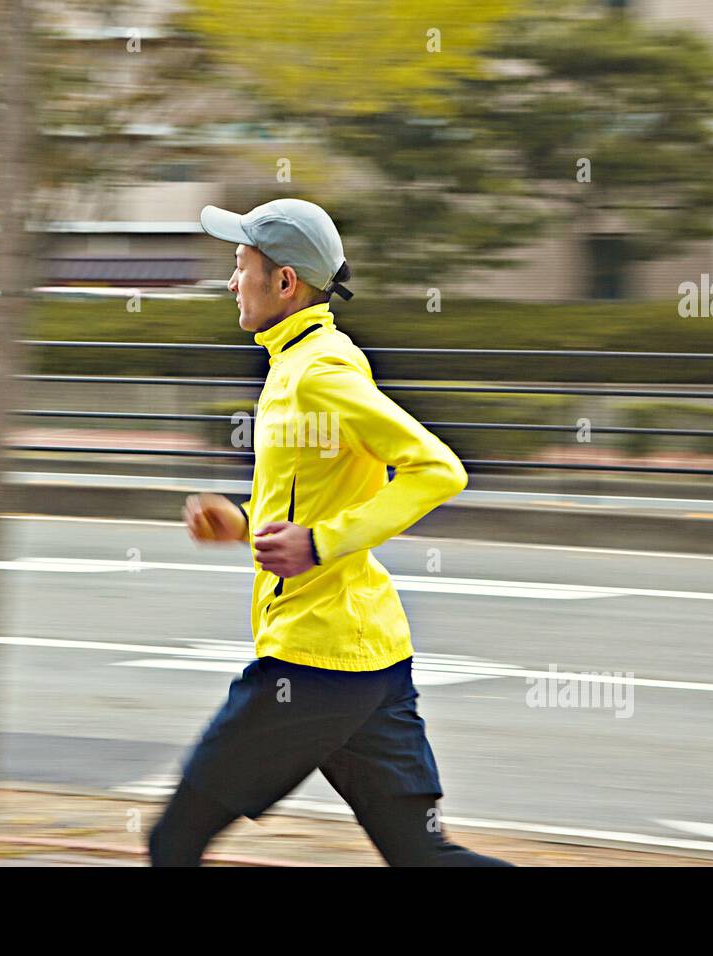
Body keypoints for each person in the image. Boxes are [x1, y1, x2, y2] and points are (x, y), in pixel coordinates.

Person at [147, 198, 512, 867]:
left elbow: (437, 469)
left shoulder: (319, 370)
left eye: (240, 266)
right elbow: (323, 493)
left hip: (314, 666)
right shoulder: (300, 360)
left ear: (283, 282)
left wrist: (318, 545)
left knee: (173, 841)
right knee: (422, 859)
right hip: (368, 660)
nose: (231, 282)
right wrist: (246, 527)